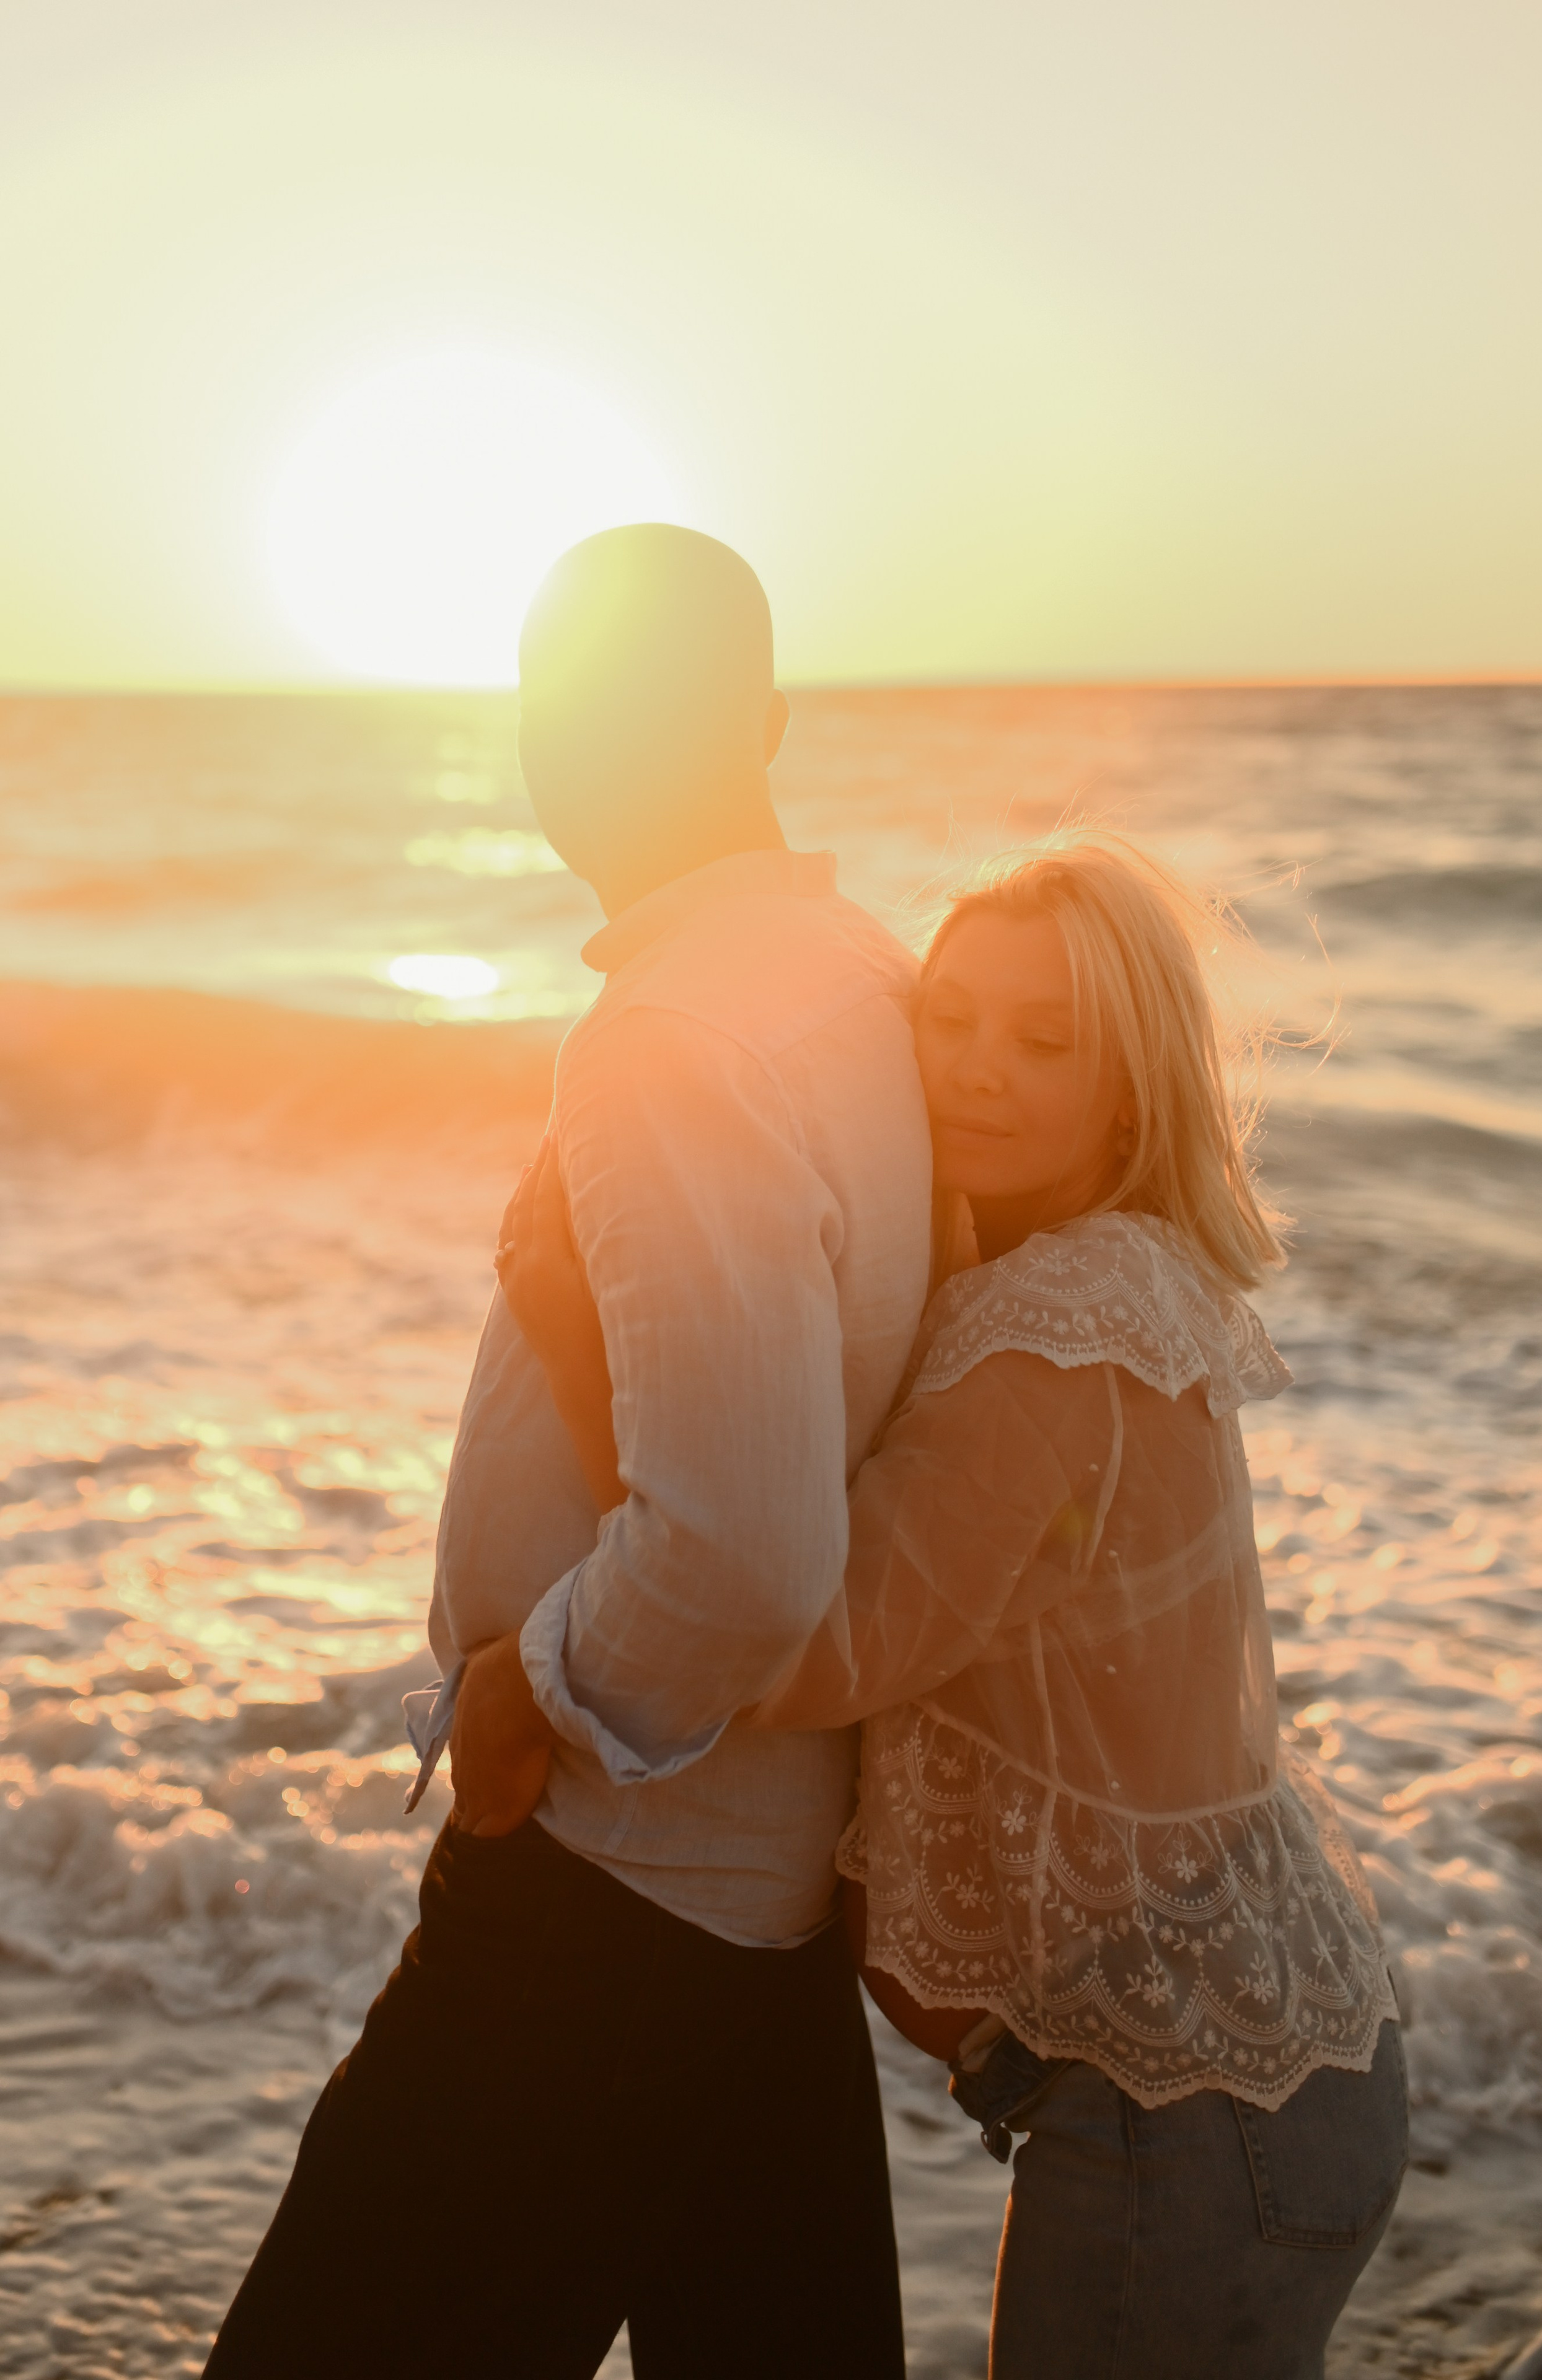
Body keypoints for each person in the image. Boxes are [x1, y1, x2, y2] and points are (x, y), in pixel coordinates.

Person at [511, 833, 1408, 2380]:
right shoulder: (1113, 1278)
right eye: (951, 1018)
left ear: (1127, 1087)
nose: (976, 1069)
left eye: (1043, 1041)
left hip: (1192, 2121)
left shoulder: (1054, 1335)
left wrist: (580, 1345)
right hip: (1245, 2084)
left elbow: (789, 1628)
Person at [204, 525, 931, 2379]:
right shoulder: (861, 976)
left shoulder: (674, 1033)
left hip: (610, 1896)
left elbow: (749, 1547)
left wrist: (530, 1685)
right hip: (755, 1910)